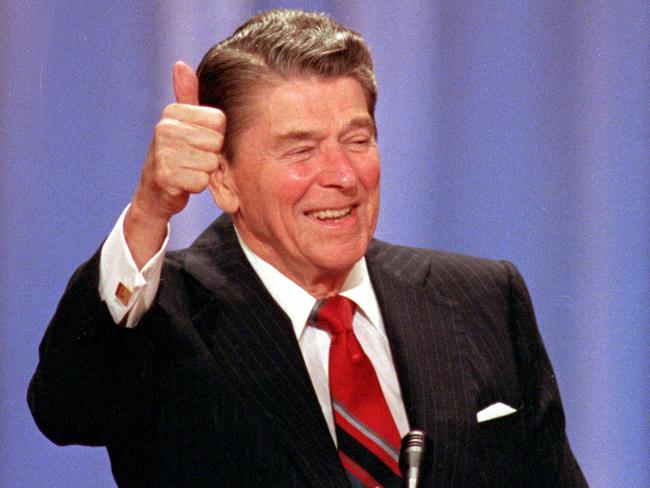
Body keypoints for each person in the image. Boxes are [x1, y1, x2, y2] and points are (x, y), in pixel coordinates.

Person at [28, 9, 587, 488]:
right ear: (222, 179)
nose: (342, 175)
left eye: (357, 139)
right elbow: (66, 406)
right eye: (301, 149)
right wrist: (150, 211)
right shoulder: (167, 318)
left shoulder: (482, 298)